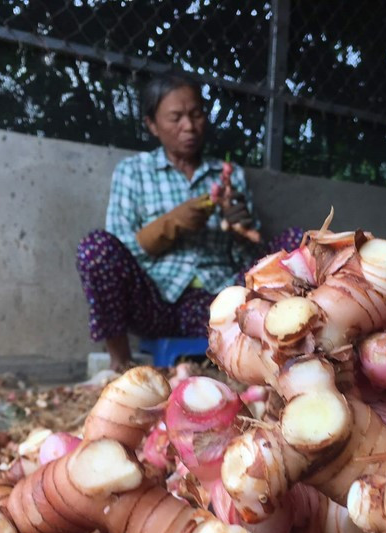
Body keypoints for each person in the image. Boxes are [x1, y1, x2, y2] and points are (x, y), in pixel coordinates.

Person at [76, 73, 302, 369]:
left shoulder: (227, 175)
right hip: (157, 302)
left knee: (297, 242)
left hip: (218, 299)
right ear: (152, 125)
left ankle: (286, 357)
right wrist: (172, 224)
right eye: (176, 118)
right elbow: (121, 244)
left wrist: (240, 228)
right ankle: (120, 364)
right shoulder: (132, 172)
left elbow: (252, 259)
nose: (189, 126)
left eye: (196, 115)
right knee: (95, 249)